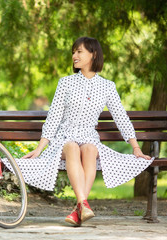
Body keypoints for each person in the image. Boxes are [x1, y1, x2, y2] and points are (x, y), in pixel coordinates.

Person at [15, 36, 154, 227]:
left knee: (89, 149)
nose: (74, 55)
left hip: (90, 137)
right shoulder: (65, 83)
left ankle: (79, 208)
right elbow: (53, 117)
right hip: (64, 139)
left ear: (93, 54)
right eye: (74, 51)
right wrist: (39, 149)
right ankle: (83, 204)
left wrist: (136, 147)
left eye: (79, 51)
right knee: (72, 147)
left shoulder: (107, 86)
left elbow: (121, 117)